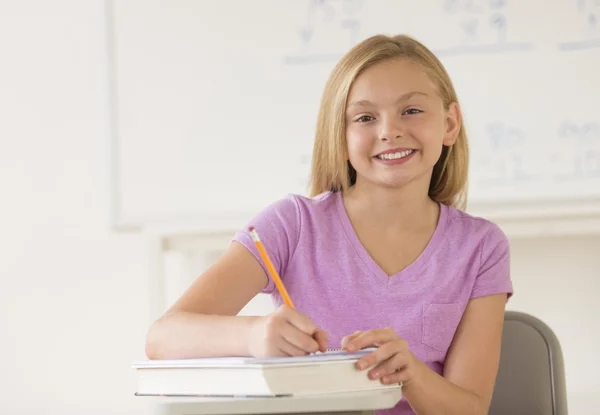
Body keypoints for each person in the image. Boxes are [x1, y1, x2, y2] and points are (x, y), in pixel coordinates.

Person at [145, 34, 513, 415]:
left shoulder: (480, 246)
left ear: (450, 124)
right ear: (341, 136)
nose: (389, 131)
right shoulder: (293, 225)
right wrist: (254, 334)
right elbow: (163, 337)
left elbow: (469, 409)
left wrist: (413, 375)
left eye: (412, 111)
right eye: (365, 117)